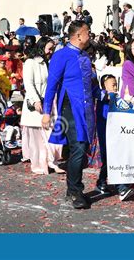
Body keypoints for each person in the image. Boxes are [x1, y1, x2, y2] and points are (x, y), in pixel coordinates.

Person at [42, 21, 96, 209]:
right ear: (79, 36)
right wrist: (46, 112)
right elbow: (52, 85)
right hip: (70, 108)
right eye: (87, 32)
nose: (90, 35)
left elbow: (91, 85)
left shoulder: (85, 56)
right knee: (78, 148)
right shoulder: (61, 55)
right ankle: (75, 191)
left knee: (81, 149)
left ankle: (73, 189)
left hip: (86, 110)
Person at [21, 37, 64, 175]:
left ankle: (52, 161)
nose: (50, 52)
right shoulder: (30, 62)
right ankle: (40, 164)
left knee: (51, 132)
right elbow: (29, 83)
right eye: (49, 49)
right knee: (38, 138)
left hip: (49, 102)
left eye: (52, 49)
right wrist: (35, 100)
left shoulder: (49, 63)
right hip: (36, 104)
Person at [95, 74, 134, 201]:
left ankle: (101, 182)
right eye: (113, 85)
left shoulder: (116, 98)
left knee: (110, 160)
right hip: (105, 134)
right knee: (112, 159)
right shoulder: (103, 97)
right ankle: (121, 188)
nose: (115, 87)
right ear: (104, 86)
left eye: (116, 84)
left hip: (115, 134)